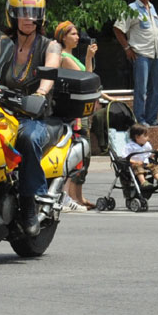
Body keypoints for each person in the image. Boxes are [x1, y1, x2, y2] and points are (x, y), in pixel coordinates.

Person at [0, 0, 62, 236]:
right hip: (2, 112)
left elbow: (51, 70)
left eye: (33, 13)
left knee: (27, 138)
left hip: (32, 114)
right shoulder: (3, 45)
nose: (28, 18)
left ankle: (28, 204)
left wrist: (41, 93)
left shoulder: (50, 45)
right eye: (23, 12)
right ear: (12, 15)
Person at [55, 21, 97, 210]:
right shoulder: (64, 57)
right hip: (75, 113)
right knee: (78, 152)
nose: (77, 37)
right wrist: (88, 57)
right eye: (72, 34)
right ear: (63, 37)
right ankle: (70, 196)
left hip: (80, 110)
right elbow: (85, 78)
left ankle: (77, 196)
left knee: (83, 154)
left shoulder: (70, 56)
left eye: (77, 34)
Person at [116, 0, 158, 125]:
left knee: (156, 89)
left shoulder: (152, 7)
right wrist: (127, 48)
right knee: (141, 90)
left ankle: (152, 118)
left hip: (155, 54)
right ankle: (140, 119)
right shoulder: (132, 9)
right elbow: (117, 29)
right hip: (141, 54)